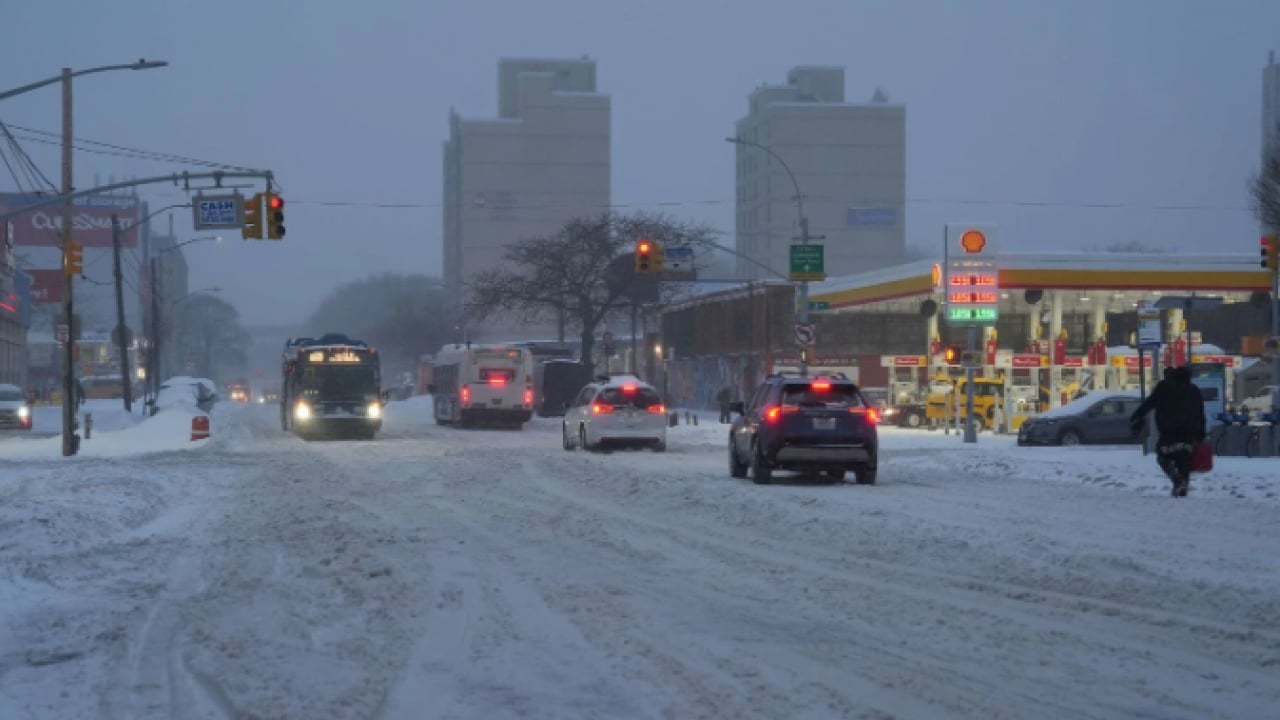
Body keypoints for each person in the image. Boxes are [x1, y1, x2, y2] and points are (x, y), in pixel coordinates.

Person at [1129, 366, 1206, 498]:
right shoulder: (1194, 390)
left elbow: (1149, 403)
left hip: (1169, 432)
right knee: (1184, 459)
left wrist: (1136, 416)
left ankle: (1177, 480)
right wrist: (1201, 434)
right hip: (1189, 433)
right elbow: (1200, 414)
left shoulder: (1164, 387)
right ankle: (1183, 487)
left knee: (1162, 456)